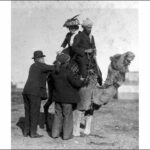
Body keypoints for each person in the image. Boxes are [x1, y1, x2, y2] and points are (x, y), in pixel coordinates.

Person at [49, 53, 86, 140]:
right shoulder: (68, 72)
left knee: (57, 115)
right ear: (66, 62)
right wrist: (82, 80)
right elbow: (77, 84)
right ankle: (66, 136)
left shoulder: (54, 72)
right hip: (67, 100)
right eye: (68, 61)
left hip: (57, 98)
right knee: (67, 116)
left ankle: (54, 134)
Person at [22, 50, 54, 138]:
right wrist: (59, 62)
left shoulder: (33, 66)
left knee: (28, 112)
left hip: (26, 91)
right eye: (43, 58)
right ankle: (33, 133)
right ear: (39, 59)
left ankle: (26, 131)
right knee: (35, 112)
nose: (44, 59)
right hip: (35, 92)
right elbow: (53, 68)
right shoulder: (41, 65)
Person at [72, 18, 102, 85]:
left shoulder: (92, 37)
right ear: (84, 27)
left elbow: (94, 46)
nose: (90, 29)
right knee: (84, 73)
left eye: (91, 27)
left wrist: (94, 50)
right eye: (88, 27)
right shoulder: (78, 36)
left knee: (99, 74)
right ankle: (82, 86)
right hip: (81, 57)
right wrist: (85, 51)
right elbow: (74, 47)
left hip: (91, 58)